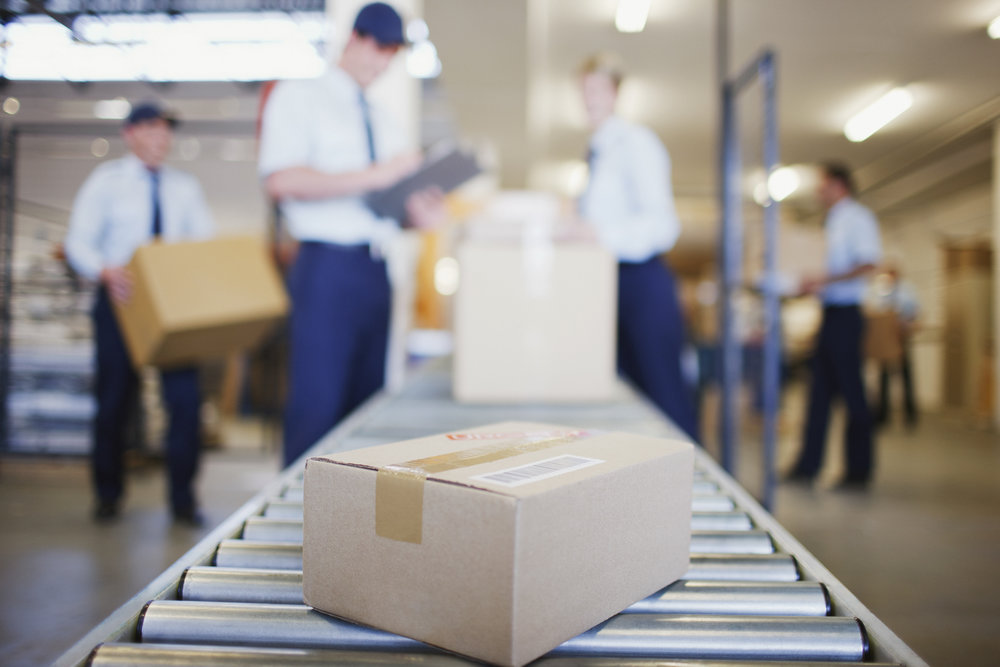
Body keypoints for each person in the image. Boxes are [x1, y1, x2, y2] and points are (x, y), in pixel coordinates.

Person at [259, 2, 444, 466]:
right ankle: (301, 521)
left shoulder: (385, 120)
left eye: (392, 54)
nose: (382, 63)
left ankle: (350, 526)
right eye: (377, 49)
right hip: (327, 268)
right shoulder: (299, 97)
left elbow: (389, 206)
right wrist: (375, 175)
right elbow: (281, 181)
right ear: (354, 39)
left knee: (365, 409)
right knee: (317, 405)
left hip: (375, 268)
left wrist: (417, 211)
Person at [64, 102, 214, 523]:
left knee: (185, 403)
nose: (161, 137)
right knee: (115, 402)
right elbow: (79, 242)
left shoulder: (185, 187)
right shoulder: (107, 182)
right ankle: (108, 494)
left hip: (174, 307)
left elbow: (203, 241)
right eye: (151, 128)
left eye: (166, 129)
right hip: (122, 304)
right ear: (130, 134)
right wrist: (103, 270)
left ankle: (183, 500)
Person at [575, 52, 699, 443]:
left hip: (642, 282)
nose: (589, 97)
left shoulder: (635, 142)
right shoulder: (595, 154)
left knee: (663, 396)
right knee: (628, 399)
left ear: (614, 92)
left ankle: (689, 491)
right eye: (584, 90)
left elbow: (663, 225)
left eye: (597, 88)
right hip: (607, 283)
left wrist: (598, 236)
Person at [787, 162, 882, 489]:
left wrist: (825, 278)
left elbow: (869, 263)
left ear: (840, 185)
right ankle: (806, 467)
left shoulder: (858, 218)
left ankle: (858, 473)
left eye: (822, 185)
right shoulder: (830, 222)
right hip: (828, 313)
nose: (818, 192)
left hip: (847, 314)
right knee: (819, 393)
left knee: (852, 395)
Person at [866, 262, 919, 428]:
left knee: (906, 376)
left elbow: (913, 312)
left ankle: (910, 416)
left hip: (900, 338)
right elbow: (876, 310)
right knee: (884, 378)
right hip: (885, 339)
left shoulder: (907, 291)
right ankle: (882, 415)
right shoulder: (882, 291)